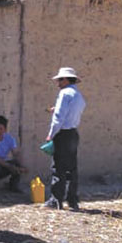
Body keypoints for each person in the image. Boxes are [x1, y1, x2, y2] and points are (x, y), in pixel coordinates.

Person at [45, 67, 86, 210]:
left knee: (58, 167)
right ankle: (72, 200)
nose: (58, 82)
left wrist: (51, 133)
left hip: (62, 133)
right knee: (71, 168)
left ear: (66, 79)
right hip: (73, 133)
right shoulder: (78, 95)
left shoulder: (64, 93)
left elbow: (59, 118)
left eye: (60, 79)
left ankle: (55, 200)